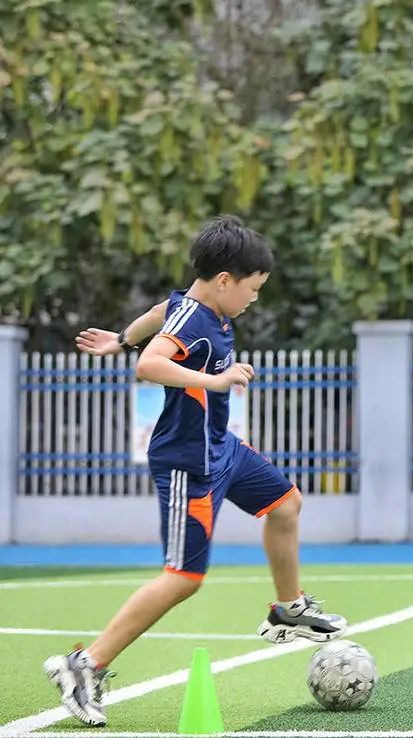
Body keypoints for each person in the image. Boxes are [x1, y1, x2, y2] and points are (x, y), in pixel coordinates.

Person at [45, 215, 347, 727]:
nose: (255, 299)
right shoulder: (196, 322)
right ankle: (84, 665)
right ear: (225, 280)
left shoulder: (196, 305)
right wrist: (216, 380)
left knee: (286, 503)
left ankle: (287, 609)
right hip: (189, 463)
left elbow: (162, 311)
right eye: (252, 289)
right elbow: (151, 365)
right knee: (184, 577)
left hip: (221, 448)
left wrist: (121, 337)